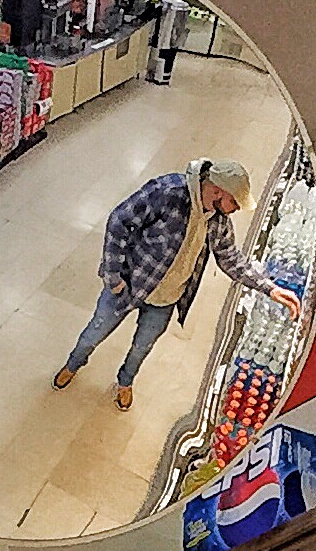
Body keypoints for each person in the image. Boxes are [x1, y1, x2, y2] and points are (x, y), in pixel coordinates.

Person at [53, 160, 301, 412]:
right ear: (218, 191)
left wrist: (270, 288)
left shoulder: (218, 221)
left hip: (166, 299)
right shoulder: (167, 192)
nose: (236, 209)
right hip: (129, 284)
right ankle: (73, 364)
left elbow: (230, 258)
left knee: (142, 347)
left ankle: (125, 381)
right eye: (234, 202)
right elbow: (119, 221)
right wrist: (112, 277)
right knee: (94, 332)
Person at [148, 0, 190, 83]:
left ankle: (161, 76)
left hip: (166, 38)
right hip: (167, 38)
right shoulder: (178, 9)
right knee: (164, 54)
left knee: (163, 54)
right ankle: (160, 76)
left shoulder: (170, 10)